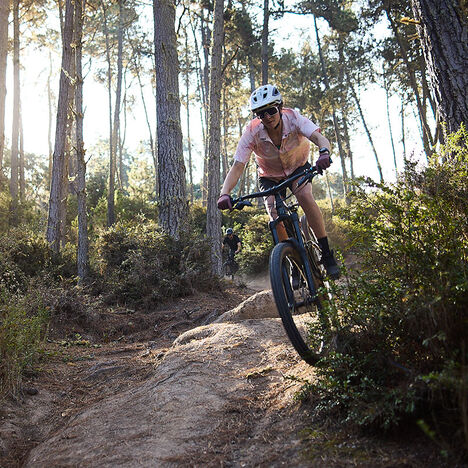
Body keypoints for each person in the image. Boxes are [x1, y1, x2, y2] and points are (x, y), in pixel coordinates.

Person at [217, 84, 340, 279]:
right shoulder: (252, 131)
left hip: (298, 167)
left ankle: (326, 254)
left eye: (271, 110)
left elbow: (318, 137)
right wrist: (225, 193)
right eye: (261, 113)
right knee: (274, 213)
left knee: (305, 196)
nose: (267, 117)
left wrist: (324, 152)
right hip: (269, 175)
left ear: (280, 107)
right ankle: (293, 261)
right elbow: (238, 165)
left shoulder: (294, 118)